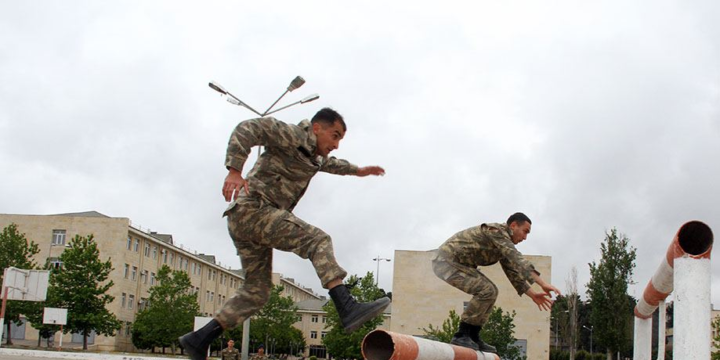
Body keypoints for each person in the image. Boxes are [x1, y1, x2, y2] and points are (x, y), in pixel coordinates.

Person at [179, 108, 391, 360]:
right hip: (254, 210)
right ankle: (346, 306)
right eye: (334, 136)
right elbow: (248, 128)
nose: (335, 144)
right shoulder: (290, 134)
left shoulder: (315, 157)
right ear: (316, 128)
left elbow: (333, 165)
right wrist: (234, 170)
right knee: (317, 240)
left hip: (250, 222)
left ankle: (199, 339)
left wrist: (359, 170)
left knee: (257, 292)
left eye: (340, 140)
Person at [432, 212, 561, 353]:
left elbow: (514, 273)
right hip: (445, 262)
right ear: (513, 225)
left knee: (491, 291)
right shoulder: (497, 232)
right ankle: (462, 334)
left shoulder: (502, 245)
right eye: (525, 232)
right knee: (486, 290)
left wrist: (533, 294)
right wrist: (542, 283)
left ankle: (473, 335)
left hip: (458, 264)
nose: (525, 238)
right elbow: (517, 259)